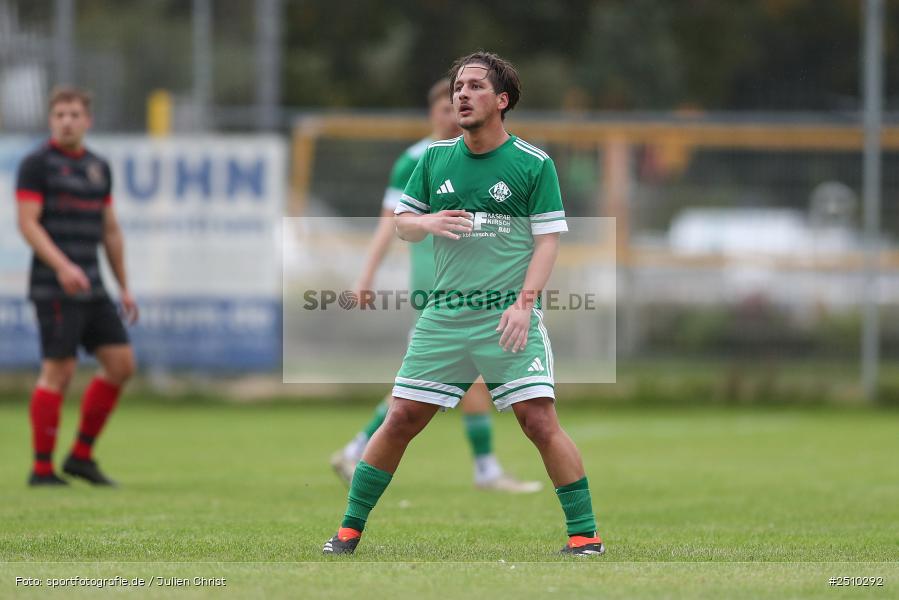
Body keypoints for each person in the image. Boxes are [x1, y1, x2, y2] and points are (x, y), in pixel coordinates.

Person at [323, 52, 604, 556]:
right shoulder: (433, 159)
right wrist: (425, 223)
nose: (461, 94)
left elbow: (547, 243)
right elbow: (403, 224)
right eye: (457, 86)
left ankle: (585, 537)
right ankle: (347, 531)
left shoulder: (533, 164)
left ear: (502, 100)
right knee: (402, 416)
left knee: (538, 421)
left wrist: (524, 305)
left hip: (506, 318)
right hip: (445, 315)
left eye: (474, 86)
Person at [330, 78, 541, 494]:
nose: (454, 112)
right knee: (424, 385)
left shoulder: (481, 157)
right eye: (447, 107)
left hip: (472, 287)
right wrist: (366, 276)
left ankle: (483, 469)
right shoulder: (418, 159)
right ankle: (361, 450)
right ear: (433, 112)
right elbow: (390, 223)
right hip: (437, 288)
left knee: (457, 380)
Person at [16, 86, 138, 487]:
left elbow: (111, 231)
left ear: (88, 121)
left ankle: (81, 456)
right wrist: (63, 266)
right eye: (60, 115)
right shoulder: (37, 164)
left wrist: (125, 287)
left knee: (121, 365)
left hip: (93, 286)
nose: (66, 121)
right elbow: (28, 223)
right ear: (51, 120)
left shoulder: (98, 167)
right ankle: (41, 468)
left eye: (74, 114)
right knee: (59, 372)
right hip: (54, 286)